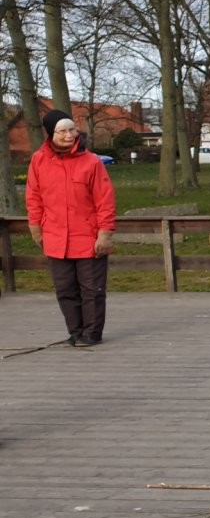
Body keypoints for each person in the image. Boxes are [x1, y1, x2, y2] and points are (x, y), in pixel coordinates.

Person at [25, 109, 115, 347]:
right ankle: (75, 332)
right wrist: (36, 228)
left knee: (92, 289)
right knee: (65, 289)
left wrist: (104, 234)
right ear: (50, 134)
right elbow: (33, 197)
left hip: (88, 237)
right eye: (62, 131)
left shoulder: (92, 162)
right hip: (55, 237)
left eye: (72, 130)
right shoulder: (38, 160)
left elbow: (105, 201)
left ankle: (92, 333)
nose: (69, 135)